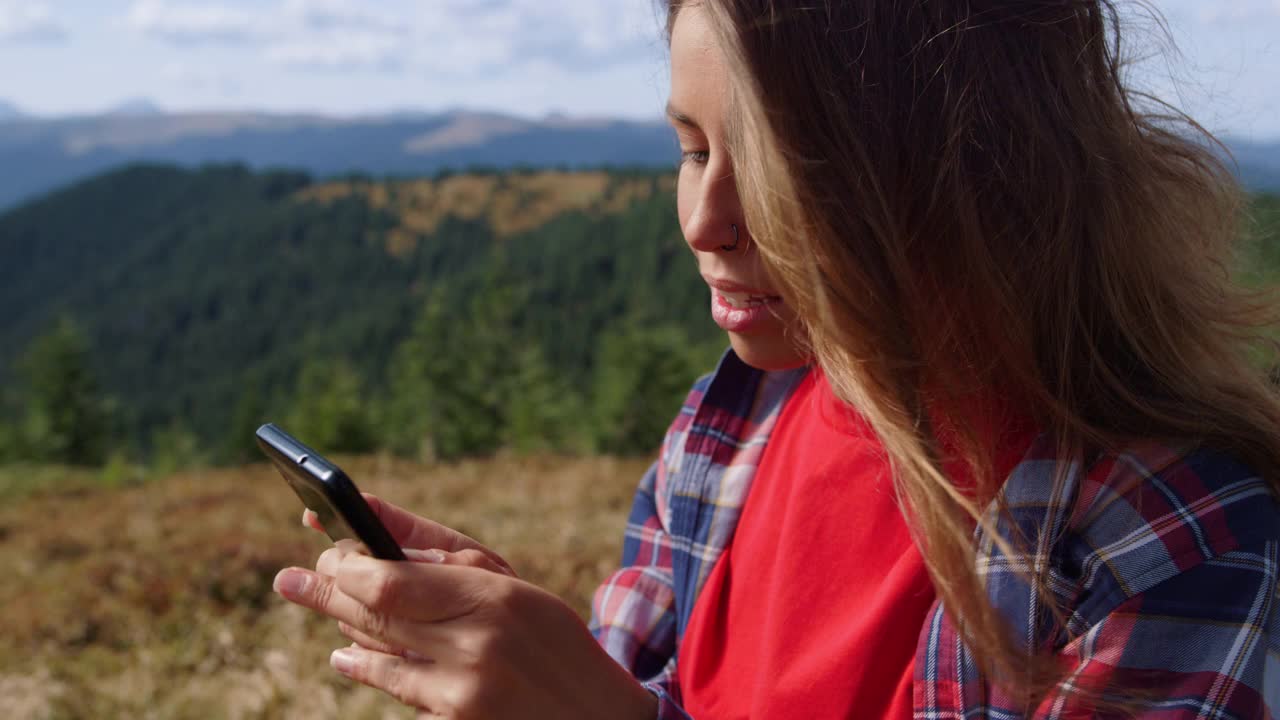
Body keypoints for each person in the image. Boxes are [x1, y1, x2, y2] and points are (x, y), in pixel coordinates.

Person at [271, 0, 1280, 717]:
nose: (705, 222)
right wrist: (534, 671)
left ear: (970, 165)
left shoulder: (1170, 537)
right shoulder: (722, 437)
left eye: (772, 162)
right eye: (691, 148)